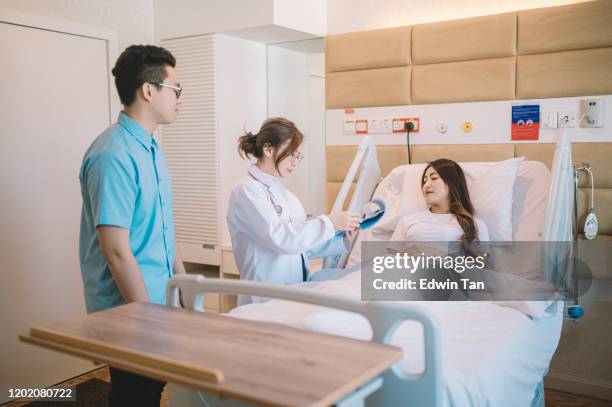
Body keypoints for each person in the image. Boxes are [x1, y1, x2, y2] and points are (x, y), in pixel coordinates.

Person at [79, 44, 184, 407]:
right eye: (176, 90)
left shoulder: (151, 149)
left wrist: (182, 286)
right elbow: (117, 251)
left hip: (159, 298)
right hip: (130, 309)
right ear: (149, 90)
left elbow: (164, 228)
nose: (180, 99)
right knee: (134, 396)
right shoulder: (113, 154)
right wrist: (149, 318)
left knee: (151, 390)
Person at [227, 117, 362, 304]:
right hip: (264, 297)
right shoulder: (246, 191)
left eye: (298, 156)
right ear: (268, 149)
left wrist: (341, 238)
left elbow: (301, 246)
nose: (295, 162)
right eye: (292, 154)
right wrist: (330, 222)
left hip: (293, 291)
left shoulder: (286, 195)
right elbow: (281, 238)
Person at [391, 158, 489, 244]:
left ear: (452, 183)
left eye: (434, 178)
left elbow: (481, 263)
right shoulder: (407, 221)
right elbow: (389, 260)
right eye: (424, 180)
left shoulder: (475, 226)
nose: (426, 185)